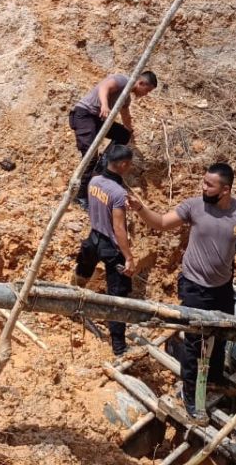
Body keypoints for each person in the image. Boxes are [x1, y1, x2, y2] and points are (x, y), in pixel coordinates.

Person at [128, 163, 236, 418]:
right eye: (203, 182)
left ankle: (215, 377)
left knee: (222, 333)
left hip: (222, 288)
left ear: (225, 190)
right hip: (194, 287)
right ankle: (190, 395)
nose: (203, 187)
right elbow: (163, 222)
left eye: (209, 184)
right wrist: (141, 209)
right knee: (195, 343)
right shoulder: (194, 206)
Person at [72, 144, 139, 358]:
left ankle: (73, 302)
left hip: (93, 237)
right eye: (129, 164)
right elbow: (119, 228)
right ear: (123, 164)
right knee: (117, 296)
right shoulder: (118, 192)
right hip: (111, 246)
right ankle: (119, 346)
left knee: (83, 270)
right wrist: (128, 256)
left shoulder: (94, 181)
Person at [68, 71, 158, 209]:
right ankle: (80, 196)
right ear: (141, 83)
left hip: (98, 119)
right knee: (90, 156)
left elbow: (126, 115)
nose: (146, 94)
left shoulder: (126, 97)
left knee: (123, 135)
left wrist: (130, 132)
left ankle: (103, 165)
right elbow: (104, 87)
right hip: (85, 115)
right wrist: (104, 105)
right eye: (147, 90)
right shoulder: (123, 80)